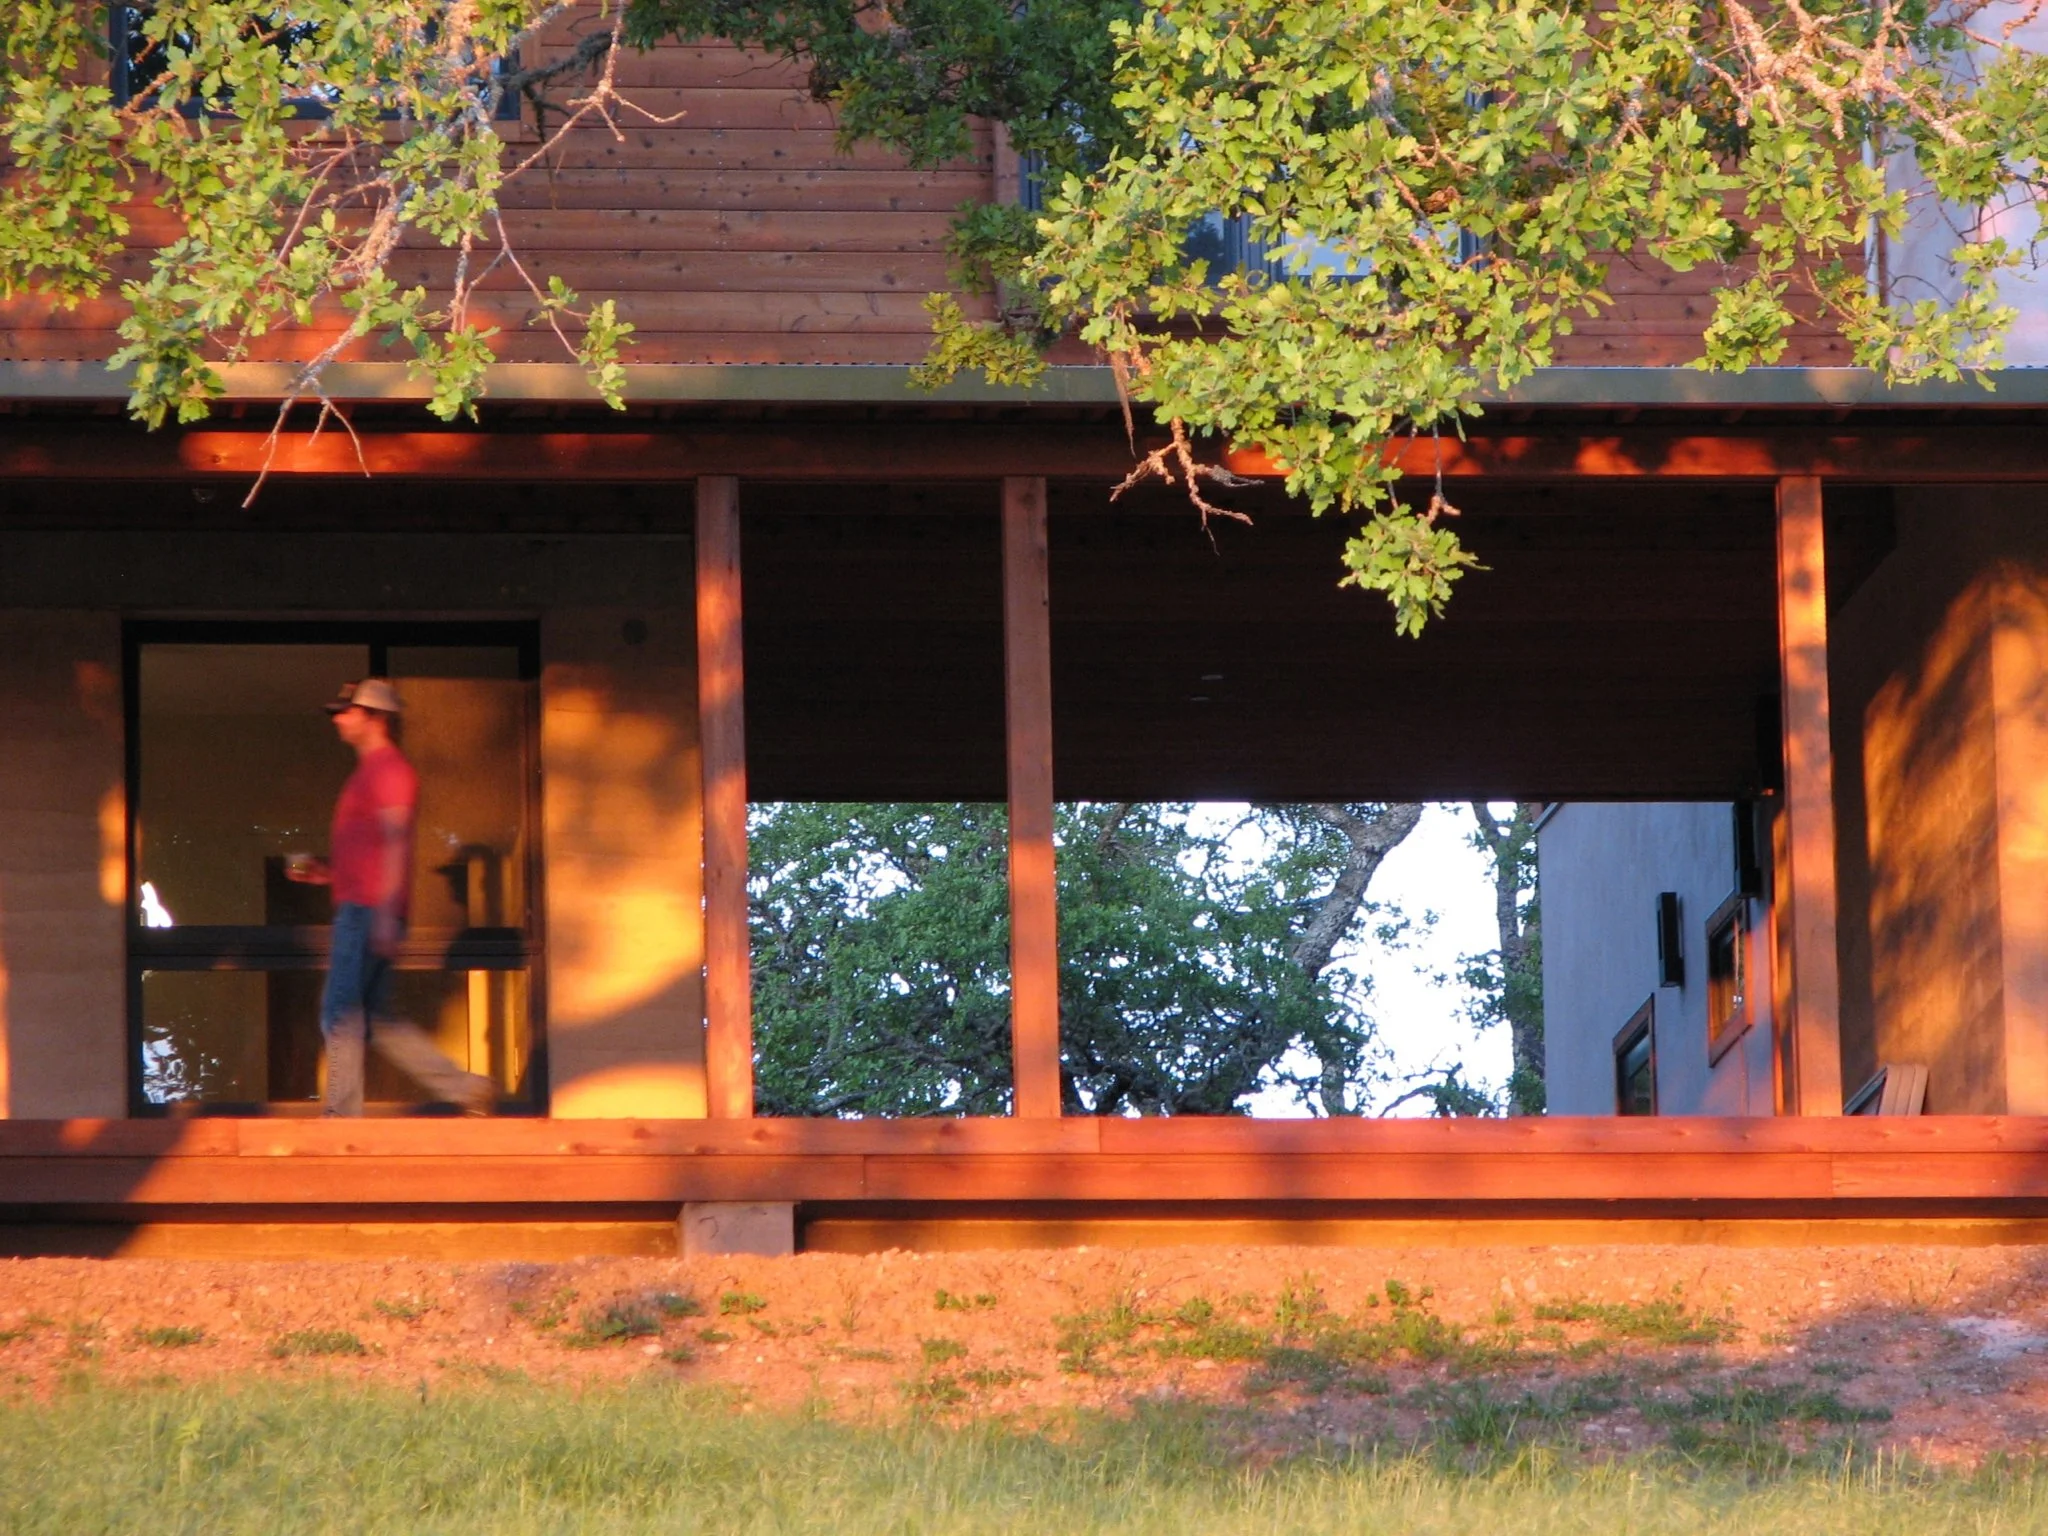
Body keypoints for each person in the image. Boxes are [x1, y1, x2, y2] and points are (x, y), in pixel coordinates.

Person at [288, 678, 493, 1117]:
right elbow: (371, 852)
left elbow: (397, 840)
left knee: (339, 1010)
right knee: (377, 1017)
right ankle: (466, 1087)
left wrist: (382, 915)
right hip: (365, 907)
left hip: (366, 912)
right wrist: (326, 873)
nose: (339, 719)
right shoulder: (369, 774)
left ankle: (341, 1116)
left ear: (376, 717)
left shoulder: (389, 770)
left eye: (348, 711)